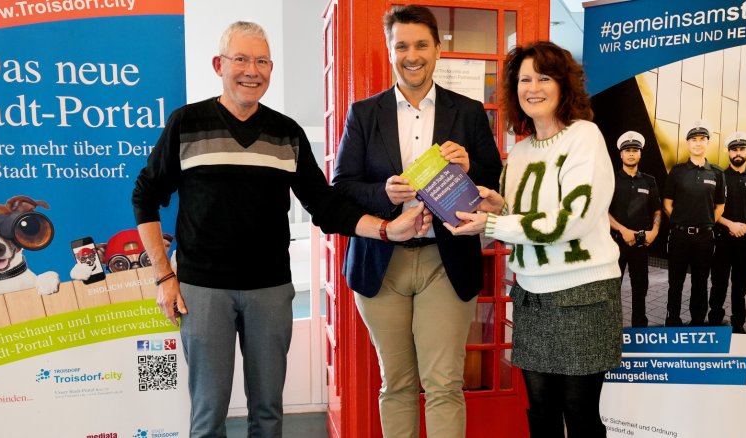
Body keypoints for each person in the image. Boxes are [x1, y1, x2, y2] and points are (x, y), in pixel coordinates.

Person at [131, 21, 431, 438]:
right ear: (219, 65)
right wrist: (165, 276)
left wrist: (386, 229)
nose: (251, 70)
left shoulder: (286, 132)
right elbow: (145, 196)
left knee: (269, 412)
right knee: (208, 412)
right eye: (240, 59)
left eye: (261, 61)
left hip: (270, 290)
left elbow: (325, 205)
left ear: (270, 69)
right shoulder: (187, 123)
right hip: (203, 289)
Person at [331, 5, 502, 437]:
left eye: (421, 44)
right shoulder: (364, 114)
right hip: (381, 262)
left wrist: (470, 168)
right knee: (397, 384)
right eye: (401, 45)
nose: (412, 54)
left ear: (437, 50)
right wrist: (383, 194)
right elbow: (342, 187)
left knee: (444, 384)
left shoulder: (466, 111)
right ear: (390, 51)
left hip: (445, 262)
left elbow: (493, 178)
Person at [446, 41, 621, 438]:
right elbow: (523, 221)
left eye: (544, 77)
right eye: (524, 79)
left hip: (584, 294)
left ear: (564, 86)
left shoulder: (585, 136)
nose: (533, 87)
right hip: (531, 296)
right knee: (540, 411)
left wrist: (492, 225)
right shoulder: (520, 152)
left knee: (579, 415)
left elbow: (570, 220)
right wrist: (498, 206)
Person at [662, 120, 726, 327]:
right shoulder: (678, 171)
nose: (698, 143)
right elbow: (667, 203)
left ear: (708, 143)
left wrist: (705, 223)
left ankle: (697, 320)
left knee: (700, 281)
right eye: (694, 140)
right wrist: (681, 222)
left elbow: (720, 207)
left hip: (705, 237)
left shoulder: (717, 173)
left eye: (702, 140)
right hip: (679, 235)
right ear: (688, 144)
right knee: (676, 282)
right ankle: (673, 319)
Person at [708, 132, 746, 334]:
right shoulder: (719, 177)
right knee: (718, 283)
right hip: (722, 239)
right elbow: (711, 210)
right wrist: (730, 225)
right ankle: (715, 320)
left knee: (740, 286)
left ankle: (738, 324)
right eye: (734, 149)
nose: (738, 153)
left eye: (742, 149)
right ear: (729, 152)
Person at [608, 131, 660, 328]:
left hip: (640, 243)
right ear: (621, 154)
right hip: (615, 243)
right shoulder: (611, 180)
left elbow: (656, 209)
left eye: (635, 150)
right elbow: (602, 210)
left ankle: (640, 327)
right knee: (613, 288)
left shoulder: (649, 181)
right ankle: (612, 328)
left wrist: (654, 231)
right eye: (627, 150)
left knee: (641, 288)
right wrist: (622, 230)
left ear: (640, 154)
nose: (631, 154)